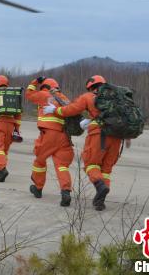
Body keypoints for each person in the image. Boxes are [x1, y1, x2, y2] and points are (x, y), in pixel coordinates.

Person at [44, 75, 128, 211]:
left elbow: (71, 109)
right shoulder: (117, 97)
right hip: (117, 136)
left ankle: (100, 186)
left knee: (91, 164)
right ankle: (100, 201)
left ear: (90, 87)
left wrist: (55, 110)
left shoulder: (88, 97)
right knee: (106, 169)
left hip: (99, 134)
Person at [26, 77, 75, 207]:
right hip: (65, 137)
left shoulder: (44, 94)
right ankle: (66, 192)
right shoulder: (64, 98)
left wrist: (35, 82)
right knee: (61, 165)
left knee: (39, 160)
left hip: (49, 134)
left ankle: (38, 187)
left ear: (45, 87)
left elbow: (29, 94)